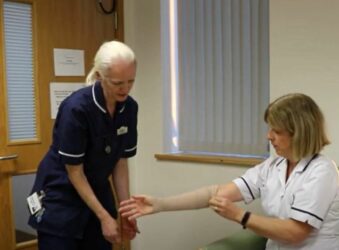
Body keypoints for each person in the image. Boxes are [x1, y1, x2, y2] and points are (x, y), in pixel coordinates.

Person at [119, 93, 339, 250]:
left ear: (298, 133)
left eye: (277, 131)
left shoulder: (322, 172)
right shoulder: (275, 165)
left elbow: (295, 233)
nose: (269, 136)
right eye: (269, 128)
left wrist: (239, 215)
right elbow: (216, 193)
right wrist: (160, 204)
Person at [28, 40, 139, 250]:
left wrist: (125, 212)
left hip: (96, 191)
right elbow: (75, 172)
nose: (125, 89)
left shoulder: (129, 109)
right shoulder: (76, 109)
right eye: (117, 83)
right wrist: (104, 217)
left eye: (130, 81)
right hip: (62, 196)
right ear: (100, 76)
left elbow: (120, 162)